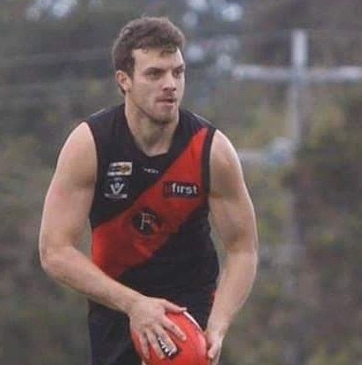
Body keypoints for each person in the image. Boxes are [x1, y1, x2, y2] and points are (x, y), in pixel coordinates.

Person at [39, 16, 258, 365]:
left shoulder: (211, 150)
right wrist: (133, 304)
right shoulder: (91, 144)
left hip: (189, 312)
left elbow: (243, 249)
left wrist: (217, 324)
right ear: (123, 80)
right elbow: (54, 251)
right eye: (155, 74)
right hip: (116, 305)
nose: (170, 84)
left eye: (178, 72)